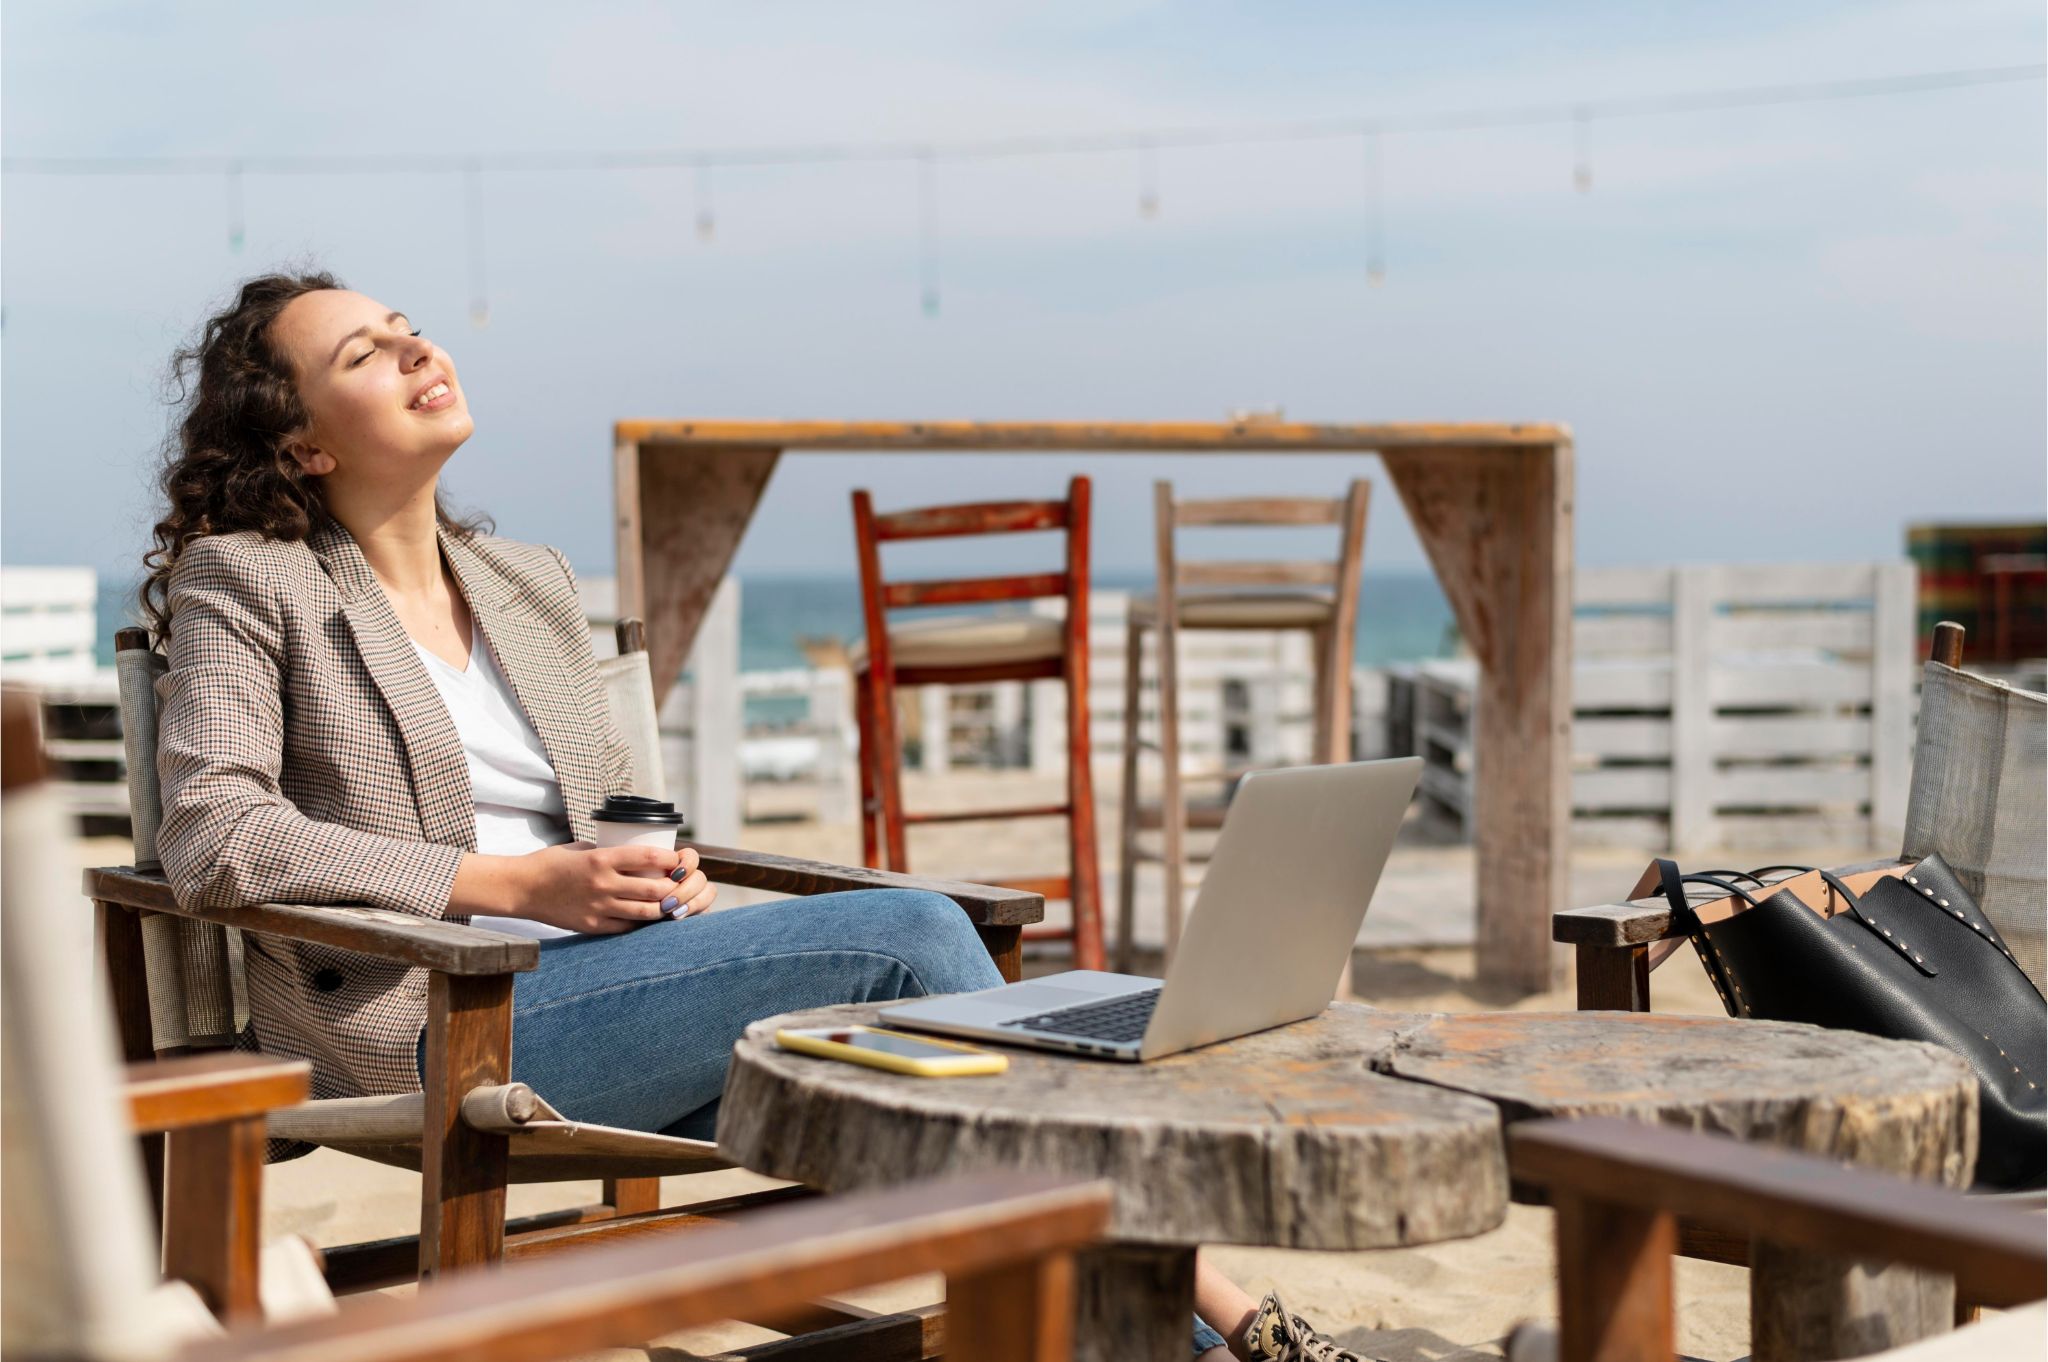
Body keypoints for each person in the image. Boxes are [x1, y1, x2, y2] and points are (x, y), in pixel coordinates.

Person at [143, 272, 1366, 1362]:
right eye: (364, 354)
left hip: (628, 993)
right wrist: (512, 886)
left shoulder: (528, 584)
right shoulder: (251, 582)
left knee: (1023, 1068)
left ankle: (1187, 1345)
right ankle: (1246, 1326)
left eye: (410, 330)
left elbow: (619, 811)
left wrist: (661, 875)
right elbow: (214, 834)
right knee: (917, 941)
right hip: (441, 1017)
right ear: (299, 445)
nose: (418, 352)